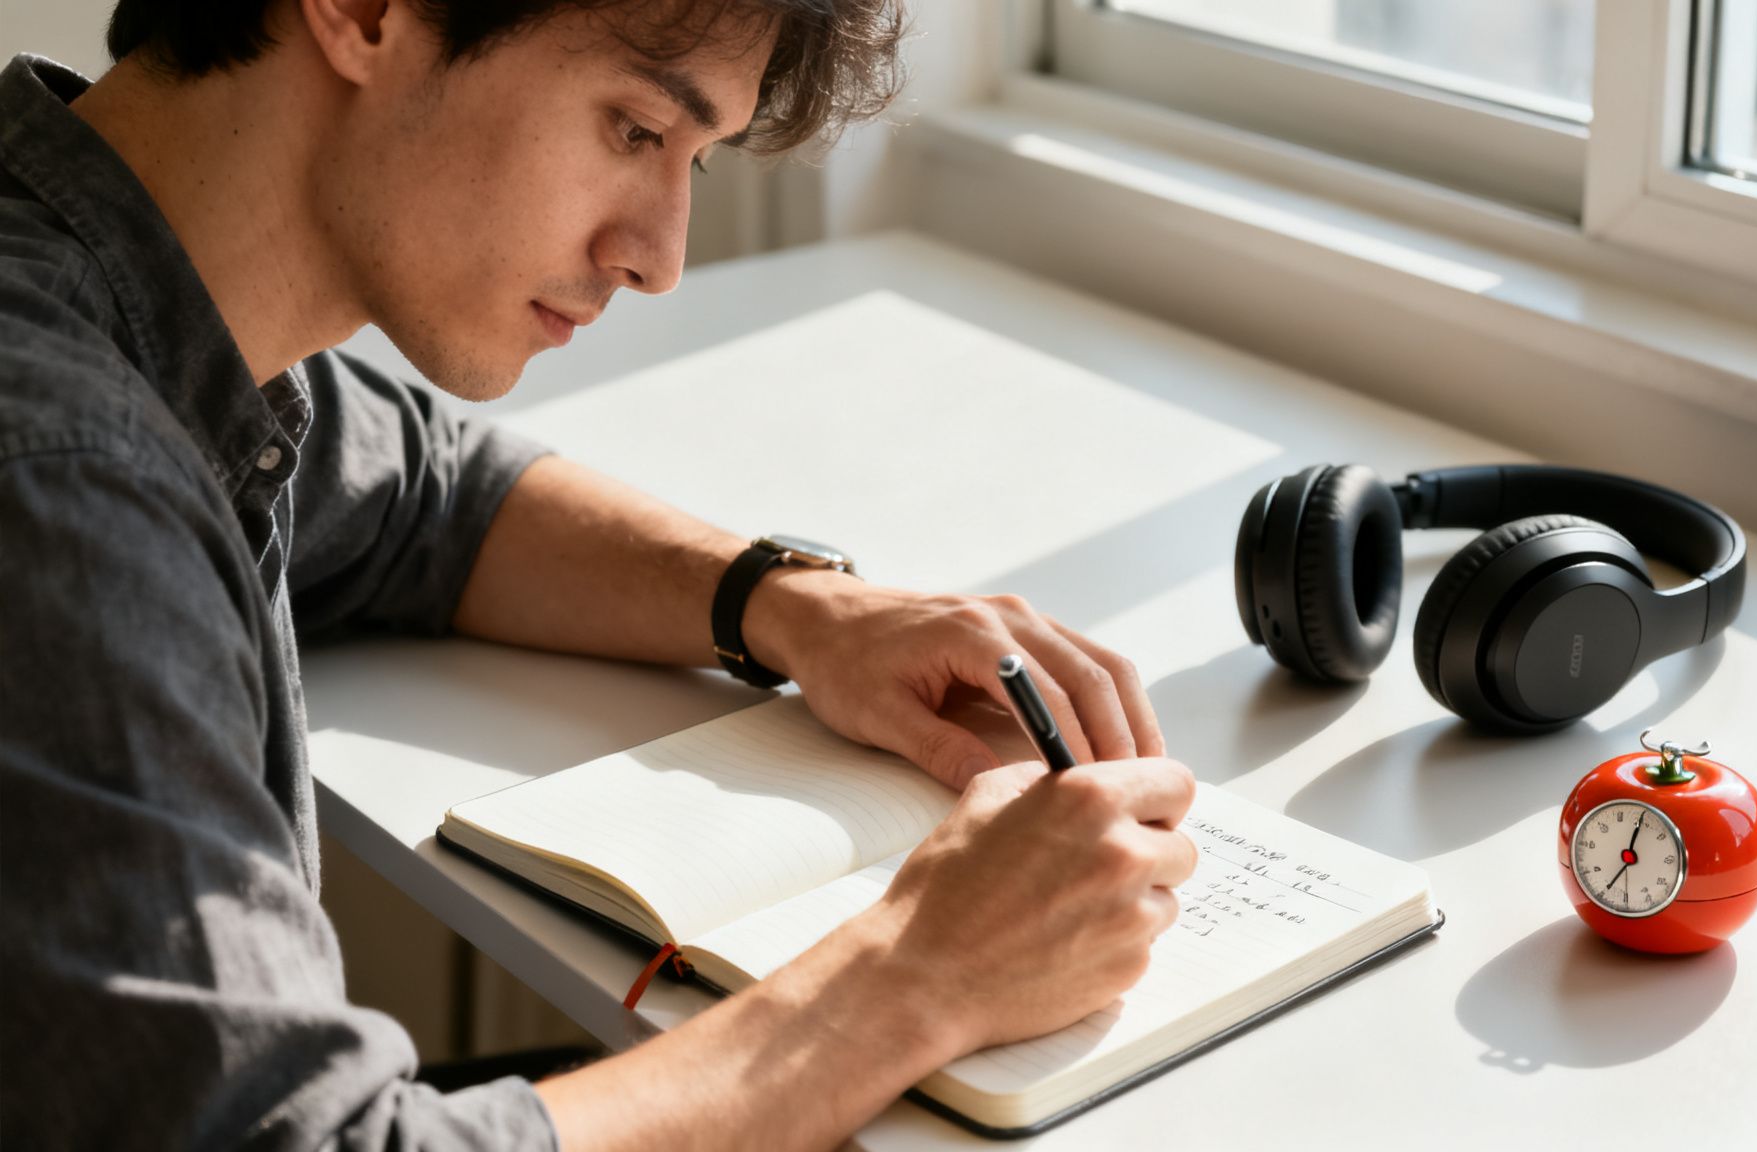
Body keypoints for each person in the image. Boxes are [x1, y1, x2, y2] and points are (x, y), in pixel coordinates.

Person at [0, 1, 1199, 1148]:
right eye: (635, 129)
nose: (659, 258)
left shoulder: (152, 316)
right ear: (364, 10)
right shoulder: (66, 479)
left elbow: (428, 495)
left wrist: (787, 606)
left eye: (697, 161)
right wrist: (917, 976)